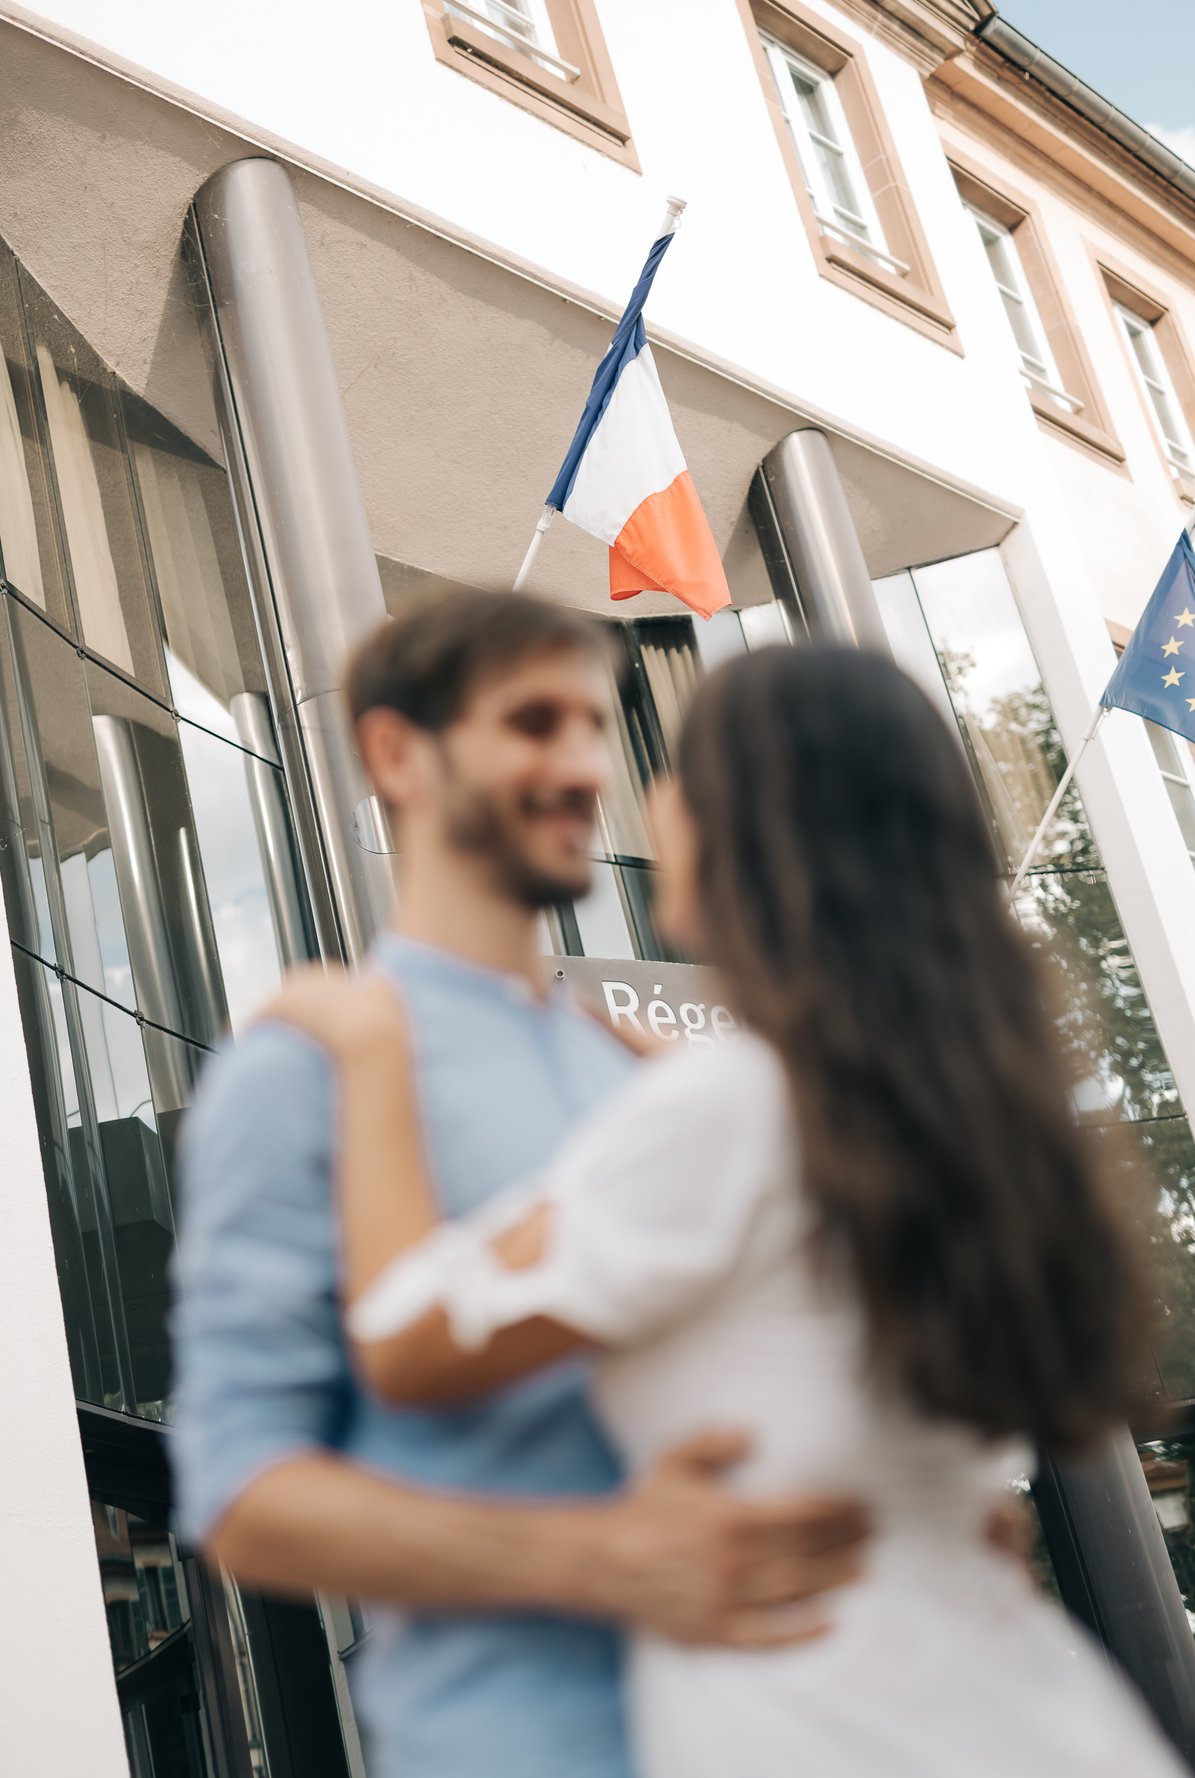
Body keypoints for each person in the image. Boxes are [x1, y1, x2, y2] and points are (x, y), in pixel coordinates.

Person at [266, 643, 1183, 1778]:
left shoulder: (732, 1109)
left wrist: (366, 1055)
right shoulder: (956, 1125)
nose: (646, 799)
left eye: (677, 774)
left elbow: (406, 1340)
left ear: (744, 827)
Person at [170, 591, 871, 1778]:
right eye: (535, 723)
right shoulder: (302, 1067)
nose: (586, 767)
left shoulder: (646, 1073)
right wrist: (601, 1559)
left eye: (596, 727)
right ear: (398, 754)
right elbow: (242, 1498)